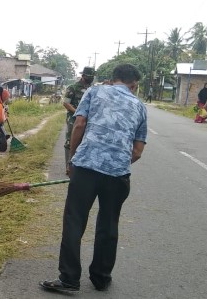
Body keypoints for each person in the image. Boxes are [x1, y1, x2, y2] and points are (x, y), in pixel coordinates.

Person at [40, 64, 146, 293]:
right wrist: (116, 162)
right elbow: (137, 151)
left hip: (86, 167)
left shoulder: (95, 91)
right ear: (134, 84)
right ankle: (100, 277)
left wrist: (72, 159)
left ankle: (68, 279)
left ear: (113, 78)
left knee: (74, 221)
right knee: (108, 224)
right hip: (118, 175)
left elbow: (79, 124)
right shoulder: (139, 105)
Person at [63, 66, 95, 174]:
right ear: (83, 76)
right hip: (73, 118)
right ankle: (68, 165)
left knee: (85, 141)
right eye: (89, 76)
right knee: (70, 141)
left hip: (88, 119)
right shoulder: (73, 87)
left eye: (92, 76)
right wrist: (78, 112)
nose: (91, 78)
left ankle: (81, 165)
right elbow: (66, 103)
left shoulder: (92, 89)